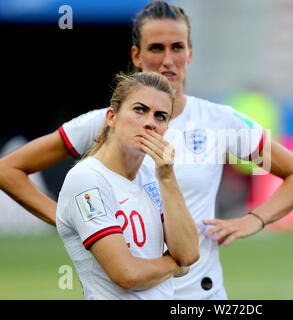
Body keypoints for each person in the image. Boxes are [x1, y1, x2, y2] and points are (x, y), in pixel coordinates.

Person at [0, 1, 293, 299]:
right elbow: (9, 169)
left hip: (201, 294)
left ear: (190, 53)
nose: (168, 60)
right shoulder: (107, 121)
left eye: (177, 47)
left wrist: (255, 219)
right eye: (156, 48)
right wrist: (63, 218)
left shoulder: (219, 123)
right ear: (137, 55)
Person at [56, 71, 199, 299]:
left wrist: (168, 177)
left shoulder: (155, 175)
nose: (150, 123)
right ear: (112, 117)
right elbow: (126, 274)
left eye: (161, 116)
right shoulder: (87, 179)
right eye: (139, 110)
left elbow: (189, 253)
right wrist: (174, 264)